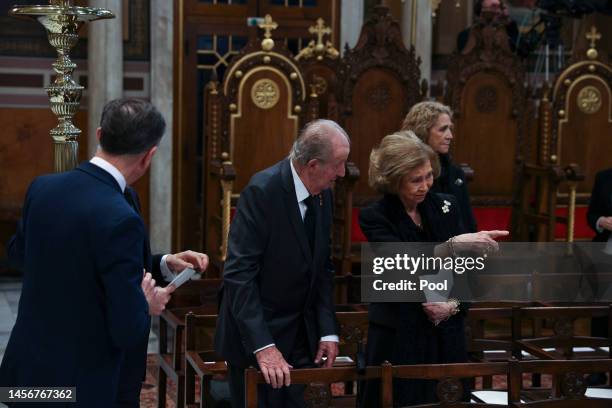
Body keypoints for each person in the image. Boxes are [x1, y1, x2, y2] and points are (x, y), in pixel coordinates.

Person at [0, 98, 208, 407]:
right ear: (149, 156)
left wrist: (163, 263)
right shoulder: (119, 213)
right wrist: (145, 303)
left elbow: (23, 256)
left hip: (29, 376)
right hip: (86, 385)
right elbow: (127, 330)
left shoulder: (42, 188)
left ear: (99, 135)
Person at [358, 132, 507, 406]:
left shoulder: (445, 206)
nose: (425, 185)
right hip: (399, 334)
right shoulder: (374, 215)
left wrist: (454, 305)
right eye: (415, 179)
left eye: (428, 176)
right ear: (392, 179)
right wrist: (452, 245)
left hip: (446, 333)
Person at [214, 119, 350, 407]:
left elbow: (322, 267)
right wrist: (264, 347)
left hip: (301, 334)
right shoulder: (263, 191)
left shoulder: (323, 193)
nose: (342, 172)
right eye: (338, 164)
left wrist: (327, 329)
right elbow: (239, 275)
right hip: (258, 336)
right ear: (312, 165)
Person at [402, 101, 477, 233]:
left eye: (450, 129)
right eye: (443, 129)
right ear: (422, 131)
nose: (450, 136)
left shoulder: (456, 173)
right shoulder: (405, 172)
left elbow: (467, 222)